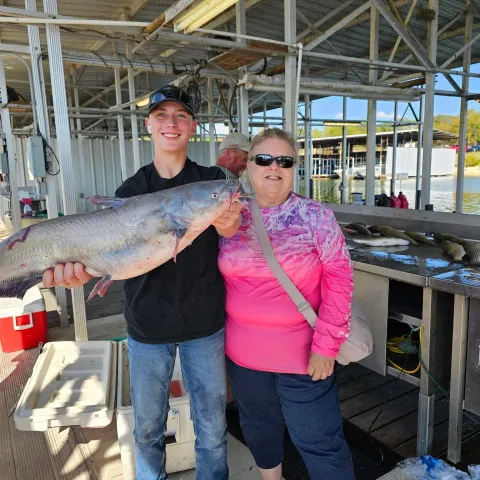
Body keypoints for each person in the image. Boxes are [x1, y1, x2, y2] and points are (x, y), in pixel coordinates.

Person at [42, 85, 242, 480]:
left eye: (181, 115)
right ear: (149, 125)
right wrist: (81, 271)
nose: (171, 123)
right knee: (148, 431)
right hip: (147, 327)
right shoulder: (130, 191)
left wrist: (229, 222)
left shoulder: (211, 181)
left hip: (205, 326)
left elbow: (232, 230)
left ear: (193, 126)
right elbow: (104, 257)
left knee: (212, 429)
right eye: (161, 115)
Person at [218, 128, 355, 480]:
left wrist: (326, 346)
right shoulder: (227, 216)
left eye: (285, 161)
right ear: (249, 165)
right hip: (244, 357)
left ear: (295, 168)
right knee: (259, 429)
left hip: (304, 357)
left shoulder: (316, 216)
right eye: (264, 159)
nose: (274, 167)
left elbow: (340, 282)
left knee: (320, 439)